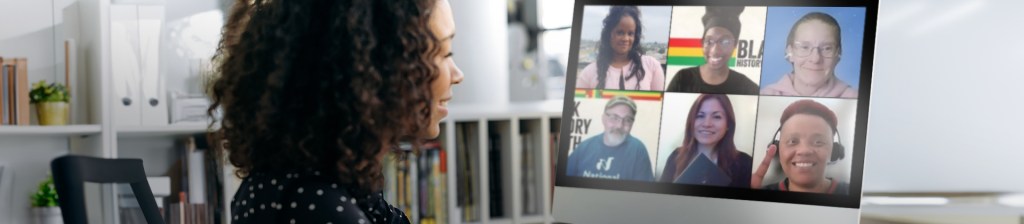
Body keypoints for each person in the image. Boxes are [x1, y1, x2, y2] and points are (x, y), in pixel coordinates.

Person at [209, 0, 464, 223]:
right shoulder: (313, 204)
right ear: (374, 65)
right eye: (443, 53)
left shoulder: (335, 183)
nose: (457, 75)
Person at [751, 100, 849, 194]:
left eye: (818, 142)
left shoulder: (850, 193)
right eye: (792, 141)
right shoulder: (758, 193)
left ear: (834, 149)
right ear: (778, 149)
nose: (804, 150)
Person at [659, 94, 752, 188]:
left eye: (716, 117)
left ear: (728, 124)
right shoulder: (676, 156)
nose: (707, 124)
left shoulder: (744, 163)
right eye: (700, 116)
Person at [761, 12, 858, 98]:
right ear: (789, 53)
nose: (815, 59)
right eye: (804, 47)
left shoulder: (854, 98)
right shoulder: (765, 96)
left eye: (827, 48)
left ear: (838, 54)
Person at [666, 6, 758, 95]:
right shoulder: (683, 78)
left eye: (725, 42)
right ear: (702, 43)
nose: (715, 51)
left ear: (735, 44)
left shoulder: (748, 88)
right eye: (709, 41)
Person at [576, 6, 665, 91]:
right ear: (609, 34)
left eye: (630, 34)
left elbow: (660, 104)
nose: (625, 39)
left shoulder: (652, 67)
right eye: (620, 32)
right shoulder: (588, 74)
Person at [567, 96, 655, 181]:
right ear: (603, 119)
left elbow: (642, 194)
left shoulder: (638, 150)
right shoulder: (584, 147)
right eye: (614, 118)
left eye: (627, 120)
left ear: (632, 124)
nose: (619, 125)